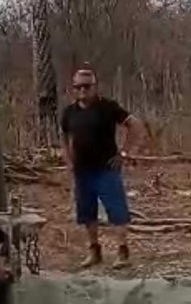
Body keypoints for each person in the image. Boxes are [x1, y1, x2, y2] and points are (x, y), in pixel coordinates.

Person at [61, 68, 145, 269]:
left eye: (86, 86)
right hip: (82, 170)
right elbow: (65, 137)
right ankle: (94, 251)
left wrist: (124, 153)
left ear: (94, 86)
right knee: (87, 212)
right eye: (78, 87)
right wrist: (69, 161)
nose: (82, 90)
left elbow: (135, 125)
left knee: (116, 210)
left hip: (106, 168)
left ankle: (122, 252)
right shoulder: (69, 112)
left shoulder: (107, 107)